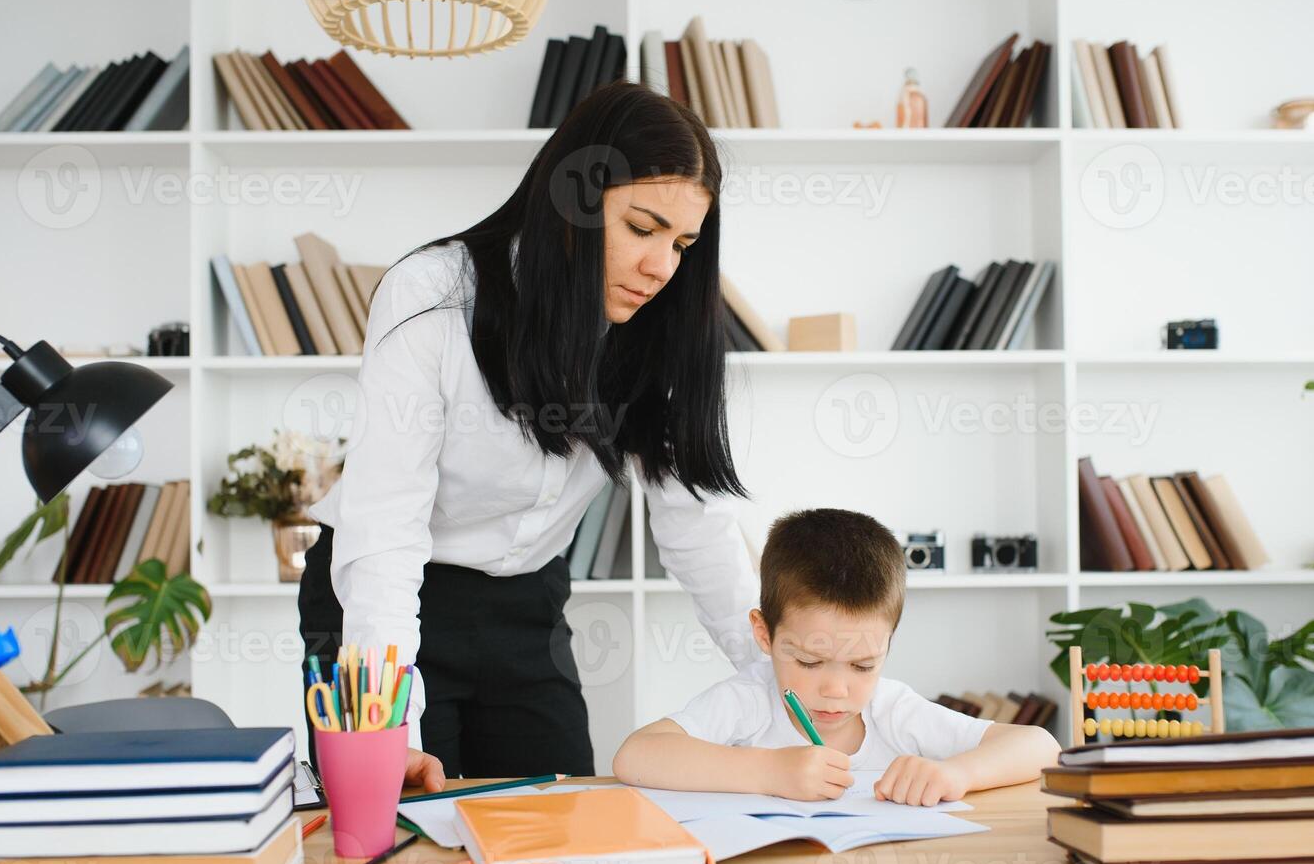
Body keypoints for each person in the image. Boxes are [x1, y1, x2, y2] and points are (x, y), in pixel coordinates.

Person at [298, 82, 762, 789]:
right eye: (642, 229)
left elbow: (701, 529)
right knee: (402, 831)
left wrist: (790, 681)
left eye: (683, 244)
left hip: (528, 605)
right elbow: (386, 531)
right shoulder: (434, 296)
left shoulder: (658, 328)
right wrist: (385, 725)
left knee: (556, 828)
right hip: (386, 594)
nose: (663, 268)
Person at [613, 509, 1060, 804]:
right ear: (764, 633)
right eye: (809, 661)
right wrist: (770, 770)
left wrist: (956, 775)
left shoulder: (892, 710)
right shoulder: (750, 699)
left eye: (863, 665)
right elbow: (636, 756)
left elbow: (1041, 746)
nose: (836, 689)